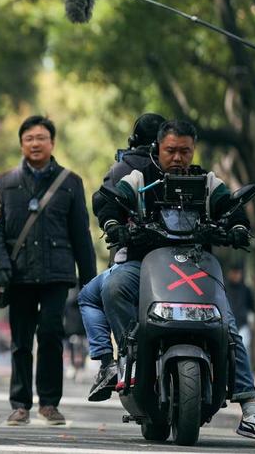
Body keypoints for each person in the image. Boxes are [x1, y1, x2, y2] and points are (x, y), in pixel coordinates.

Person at [97, 119, 255, 444]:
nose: (178, 157)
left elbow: (231, 207)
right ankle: (131, 357)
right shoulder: (139, 177)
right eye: (171, 150)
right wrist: (113, 223)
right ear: (158, 148)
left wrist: (238, 227)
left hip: (197, 267)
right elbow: (108, 200)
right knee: (114, 285)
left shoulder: (207, 180)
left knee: (228, 325)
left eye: (185, 150)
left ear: (193, 150)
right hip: (144, 264)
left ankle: (250, 409)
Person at [0, 115, 97, 426]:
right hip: (18, 274)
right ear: (21, 144)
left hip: (57, 274)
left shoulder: (71, 182)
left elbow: (81, 235)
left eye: (41, 138)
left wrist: (89, 282)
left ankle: (49, 403)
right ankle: (20, 403)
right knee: (21, 340)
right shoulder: (5, 183)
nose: (35, 143)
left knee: (51, 333)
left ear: (52, 143)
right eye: (29, 138)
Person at [80, 112, 166, 401]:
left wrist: (113, 225)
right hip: (186, 265)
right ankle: (248, 398)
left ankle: (113, 361)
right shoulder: (191, 173)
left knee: (91, 295)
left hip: (135, 263)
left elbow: (103, 202)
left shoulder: (123, 168)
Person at [226, 265, 255, 359]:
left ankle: (246, 372)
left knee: (244, 347)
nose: (236, 275)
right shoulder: (224, 288)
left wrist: (252, 320)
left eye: (238, 273)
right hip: (227, 324)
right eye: (234, 273)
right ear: (229, 273)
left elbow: (252, 307)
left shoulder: (246, 289)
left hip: (243, 324)